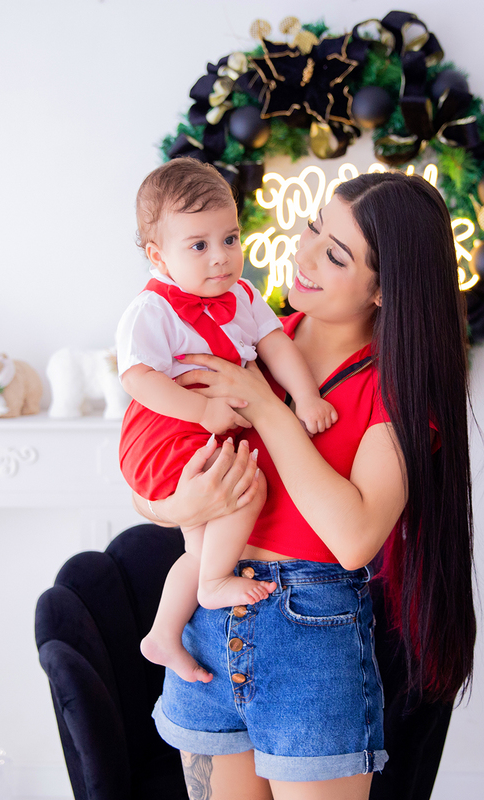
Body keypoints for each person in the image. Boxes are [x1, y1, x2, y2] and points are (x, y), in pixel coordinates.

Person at [133, 172, 476, 800]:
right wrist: (182, 504)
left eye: (336, 254)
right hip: (207, 626)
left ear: (383, 290)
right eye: (315, 227)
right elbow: (148, 477)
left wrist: (267, 408)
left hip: (311, 636)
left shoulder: (395, 389)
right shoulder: (245, 339)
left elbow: (354, 538)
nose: (305, 253)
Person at [117, 157, 338, 685]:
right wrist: (203, 411)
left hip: (206, 432)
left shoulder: (240, 297)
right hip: (170, 432)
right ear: (158, 255)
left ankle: (163, 634)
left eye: (231, 238)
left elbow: (276, 342)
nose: (221, 258)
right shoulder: (153, 310)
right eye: (198, 245)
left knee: (201, 544)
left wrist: (306, 396)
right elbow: (137, 378)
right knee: (247, 489)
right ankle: (215, 583)